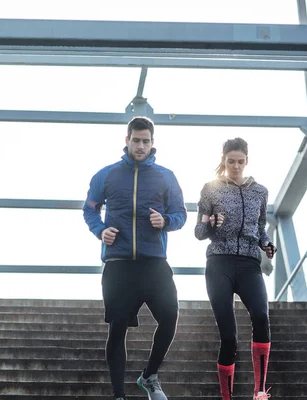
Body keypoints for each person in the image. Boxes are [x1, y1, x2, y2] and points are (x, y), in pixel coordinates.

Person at [83, 116, 187, 400]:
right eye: (136, 140)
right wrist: (100, 230)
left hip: (154, 262)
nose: (140, 146)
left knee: (170, 316)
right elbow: (90, 209)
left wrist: (165, 220)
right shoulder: (106, 175)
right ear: (126, 140)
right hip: (118, 265)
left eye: (146, 141)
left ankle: (149, 375)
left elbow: (181, 215)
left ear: (153, 143)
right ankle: (119, 395)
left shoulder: (166, 176)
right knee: (117, 328)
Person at [194, 137, 276, 400]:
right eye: (231, 161)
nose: (236, 166)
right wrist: (212, 223)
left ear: (247, 161)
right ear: (224, 160)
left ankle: (259, 390)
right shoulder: (211, 189)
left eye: (241, 161)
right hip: (219, 262)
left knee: (261, 318)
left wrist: (267, 244)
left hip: (249, 264)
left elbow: (260, 228)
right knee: (229, 336)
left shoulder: (260, 191)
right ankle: (227, 397)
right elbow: (199, 231)